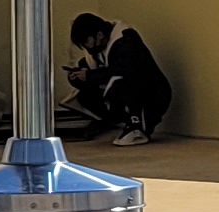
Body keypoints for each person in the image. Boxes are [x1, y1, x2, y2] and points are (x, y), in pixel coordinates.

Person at [60, 12, 171, 146]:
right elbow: (95, 70)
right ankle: (124, 121)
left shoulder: (126, 40)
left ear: (99, 35)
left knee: (120, 81)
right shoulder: (99, 49)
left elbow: (125, 69)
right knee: (84, 94)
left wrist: (89, 75)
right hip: (129, 90)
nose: (86, 48)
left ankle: (137, 127)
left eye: (86, 42)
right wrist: (78, 75)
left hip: (152, 95)